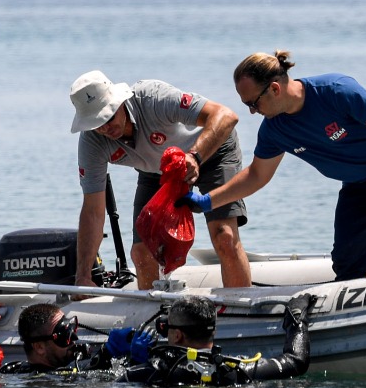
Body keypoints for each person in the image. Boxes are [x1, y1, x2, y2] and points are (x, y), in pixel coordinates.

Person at [186, 51, 366, 281]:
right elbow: (257, 176)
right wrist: (208, 201)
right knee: (348, 265)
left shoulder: (335, 90)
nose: (251, 112)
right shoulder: (274, 130)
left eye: (253, 103)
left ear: (274, 88)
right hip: (362, 184)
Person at [70, 70, 252, 289]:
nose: (105, 128)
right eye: (96, 123)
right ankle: (153, 317)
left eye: (108, 117)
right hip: (158, 169)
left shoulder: (153, 99)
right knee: (141, 253)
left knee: (224, 236)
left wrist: (194, 156)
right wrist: (83, 276)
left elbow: (226, 115)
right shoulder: (92, 143)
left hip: (212, 151)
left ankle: (242, 311)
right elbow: (92, 211)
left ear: (120, 102)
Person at [3, 299, 310, 385]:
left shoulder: (151, 372)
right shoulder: (235, 369)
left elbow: (102, 383)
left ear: (175, 335)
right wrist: (296, 319)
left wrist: (128, 360)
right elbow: (294, 362)